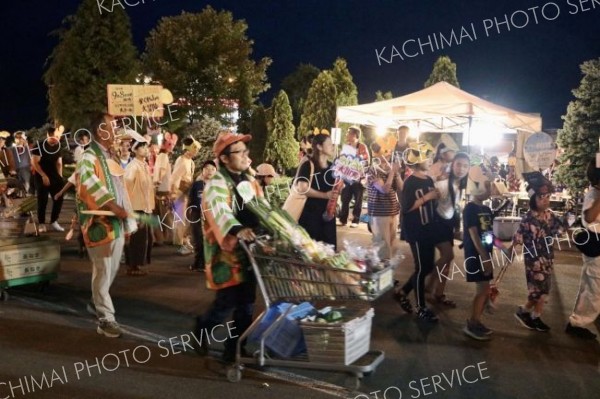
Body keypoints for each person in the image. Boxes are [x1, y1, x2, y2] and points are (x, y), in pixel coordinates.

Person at [195, 131, 262, 363]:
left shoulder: (249, 180)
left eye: (246, 150)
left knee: (247, 304)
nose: (245, 156)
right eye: (239, 152)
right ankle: (202, 329)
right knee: (226, 304)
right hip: (227, 252)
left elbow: (262, 207)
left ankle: (234, 347)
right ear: (224, 158)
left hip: (250, 250)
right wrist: (237, 230)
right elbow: (218, 210)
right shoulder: (216, 183)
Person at [76, 113, 137, 338]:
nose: (117, 128)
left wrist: (127, 220)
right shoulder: (88, 156)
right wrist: (113, 207)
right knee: (103, 271)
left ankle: (99, 301)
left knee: (109, 271)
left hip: (116, 223)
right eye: (113, 125)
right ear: (101, 130)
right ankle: (105, 318)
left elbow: (120, 188)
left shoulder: (109, 155)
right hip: (99, 224)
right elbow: (88, 185)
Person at [511, 172, 567, 332]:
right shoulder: (528, 219)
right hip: (533, 260)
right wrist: (511, 251)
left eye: (547, 197)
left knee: (542, 290)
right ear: (533, 199)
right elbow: (518, 237)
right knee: (539, 291)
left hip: (547, 258)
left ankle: (524, 312)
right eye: (541, 197)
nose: (545, 201)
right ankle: (535, 316)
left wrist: (569, 222)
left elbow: (559, 230)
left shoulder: (549, 216)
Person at [393, 141, 441, 322]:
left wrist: (435, 197)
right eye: (427, 157)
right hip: (416, 230)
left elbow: (429, 202)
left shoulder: (428, 179)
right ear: (418, 160)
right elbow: (406, 207)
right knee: (422, 268)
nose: (430, 160)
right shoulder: (410, 181)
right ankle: (421, 307)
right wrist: (428, 196)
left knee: (428, 266)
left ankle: (402, 292)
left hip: (429, 229)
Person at [429, 152, 470, 308]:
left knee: (448, 260)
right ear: (452, 165)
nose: (461, 168)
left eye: (465, 166)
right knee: (448, 255)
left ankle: (438, 293)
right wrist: (435, 179)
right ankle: (430, 286)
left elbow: (455, 208)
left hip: (447, 225)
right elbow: (431, 187)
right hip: (437, 223)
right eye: (458, 164)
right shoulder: (445, 182)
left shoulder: (460, 184)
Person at [566, 159, 600, 339]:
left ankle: (580, 320)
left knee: (592, 288)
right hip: (596, 247)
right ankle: (577, 323)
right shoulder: (594, 194)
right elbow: (590, 217)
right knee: (593, 289)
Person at [461, 165, 495, 340]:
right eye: (486, 185)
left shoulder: (487, 209)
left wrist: (503, 250)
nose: (489, 189)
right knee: (481, 289)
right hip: (476, 255)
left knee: (485, 288)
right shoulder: (469, 209)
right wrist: (484, 257)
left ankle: (477, 320)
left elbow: (490, 234)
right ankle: (472, 323)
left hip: (485, 254)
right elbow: (473, 234)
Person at [294, 133, 337, 249]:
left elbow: (335, 189)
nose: (332, 146)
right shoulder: (308, 165)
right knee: (311, 252)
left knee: (329, 253)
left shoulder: (333, 167)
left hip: (328, 217)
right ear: (319, 147)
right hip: (310, 217)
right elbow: (302, 188)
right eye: (329, 144)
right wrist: (325, 195)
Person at [124, 133, 154, 276]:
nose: (146, 150)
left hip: (145, 206)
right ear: (135, 150)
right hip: (136, 207)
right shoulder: (132, 166)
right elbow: (126, 186)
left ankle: (138, 264)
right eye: (142, 147)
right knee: (137, 238)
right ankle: (133, 266)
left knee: (144, 238)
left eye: (146, 147)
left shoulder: (144, 165)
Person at [366, 142, 402, 260]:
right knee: (382, 248)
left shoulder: (390, 170)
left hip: (393, 212)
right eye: (385, 153)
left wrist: (396, 174)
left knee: (392, 246)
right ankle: (382, 276)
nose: (388, 156)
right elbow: (384, 189)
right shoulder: (373, 170)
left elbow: (402, 188)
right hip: (379, 214)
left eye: (389, 153)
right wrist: (392, 173)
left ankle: (388, 275)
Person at [170, 136, 201, 255]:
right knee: (180, 218)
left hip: (188, 191)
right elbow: (175, 177)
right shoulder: (181, 160)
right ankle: (182, 243)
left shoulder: (191, 161)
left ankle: (185, 240)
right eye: (195, 149)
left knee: (187, 217)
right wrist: (173, 192)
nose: (196, 152)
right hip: (180, 192)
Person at [31, 126, 65, 232]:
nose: (56, 139)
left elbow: (59, 163)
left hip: (54, 175)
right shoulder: (39, 146)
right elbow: (34, 162)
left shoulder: (58, 146)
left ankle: (54, 221)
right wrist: (43, 175)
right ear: (48, 135)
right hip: (40, 175)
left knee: (59, 197)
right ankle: (41, 223)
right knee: (43, 199)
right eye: (54, 136)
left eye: (58, 137)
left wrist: (60, 177)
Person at [188, 160, 217, 272]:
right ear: (202, 171)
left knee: (210, 240)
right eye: (207, 169)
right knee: (197, 238)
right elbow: (191, 199)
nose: (209, 171)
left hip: (212, 215)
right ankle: (197, 262)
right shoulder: (197, 185)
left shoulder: (217, 185)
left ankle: (208, 263)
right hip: (197, 214)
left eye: (212, 169)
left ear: (216, 172)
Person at [338, 126, 370, 228]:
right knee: (345, 199)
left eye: (349, 133)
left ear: (355, 135)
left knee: (358, 200)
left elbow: (366, 162)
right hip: (347, 178)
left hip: (358, 179)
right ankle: (343, 219)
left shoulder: (362, 147)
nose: (347, 135)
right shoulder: (346, 146)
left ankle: (355, 220)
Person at [153, 132, 177, 245]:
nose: (172, 147)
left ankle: (169, 237)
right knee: (164, 214)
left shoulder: (162, 156)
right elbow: (162, 170)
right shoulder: (163, 156)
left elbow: (161, 170)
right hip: (162, 188)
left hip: (161, 188)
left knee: (164, 214)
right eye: (170, 145)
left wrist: (157, 183)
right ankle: (165, 237)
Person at [9, 131, 32, 195]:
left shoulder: (27, 148)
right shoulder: (12, 149)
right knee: (19, 185)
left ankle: (27, 195)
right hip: (16, 169)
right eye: (17, 137)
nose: (18, 139)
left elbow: (31, 157)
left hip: (25, 168)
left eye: (20, 137)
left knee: (27, 183)